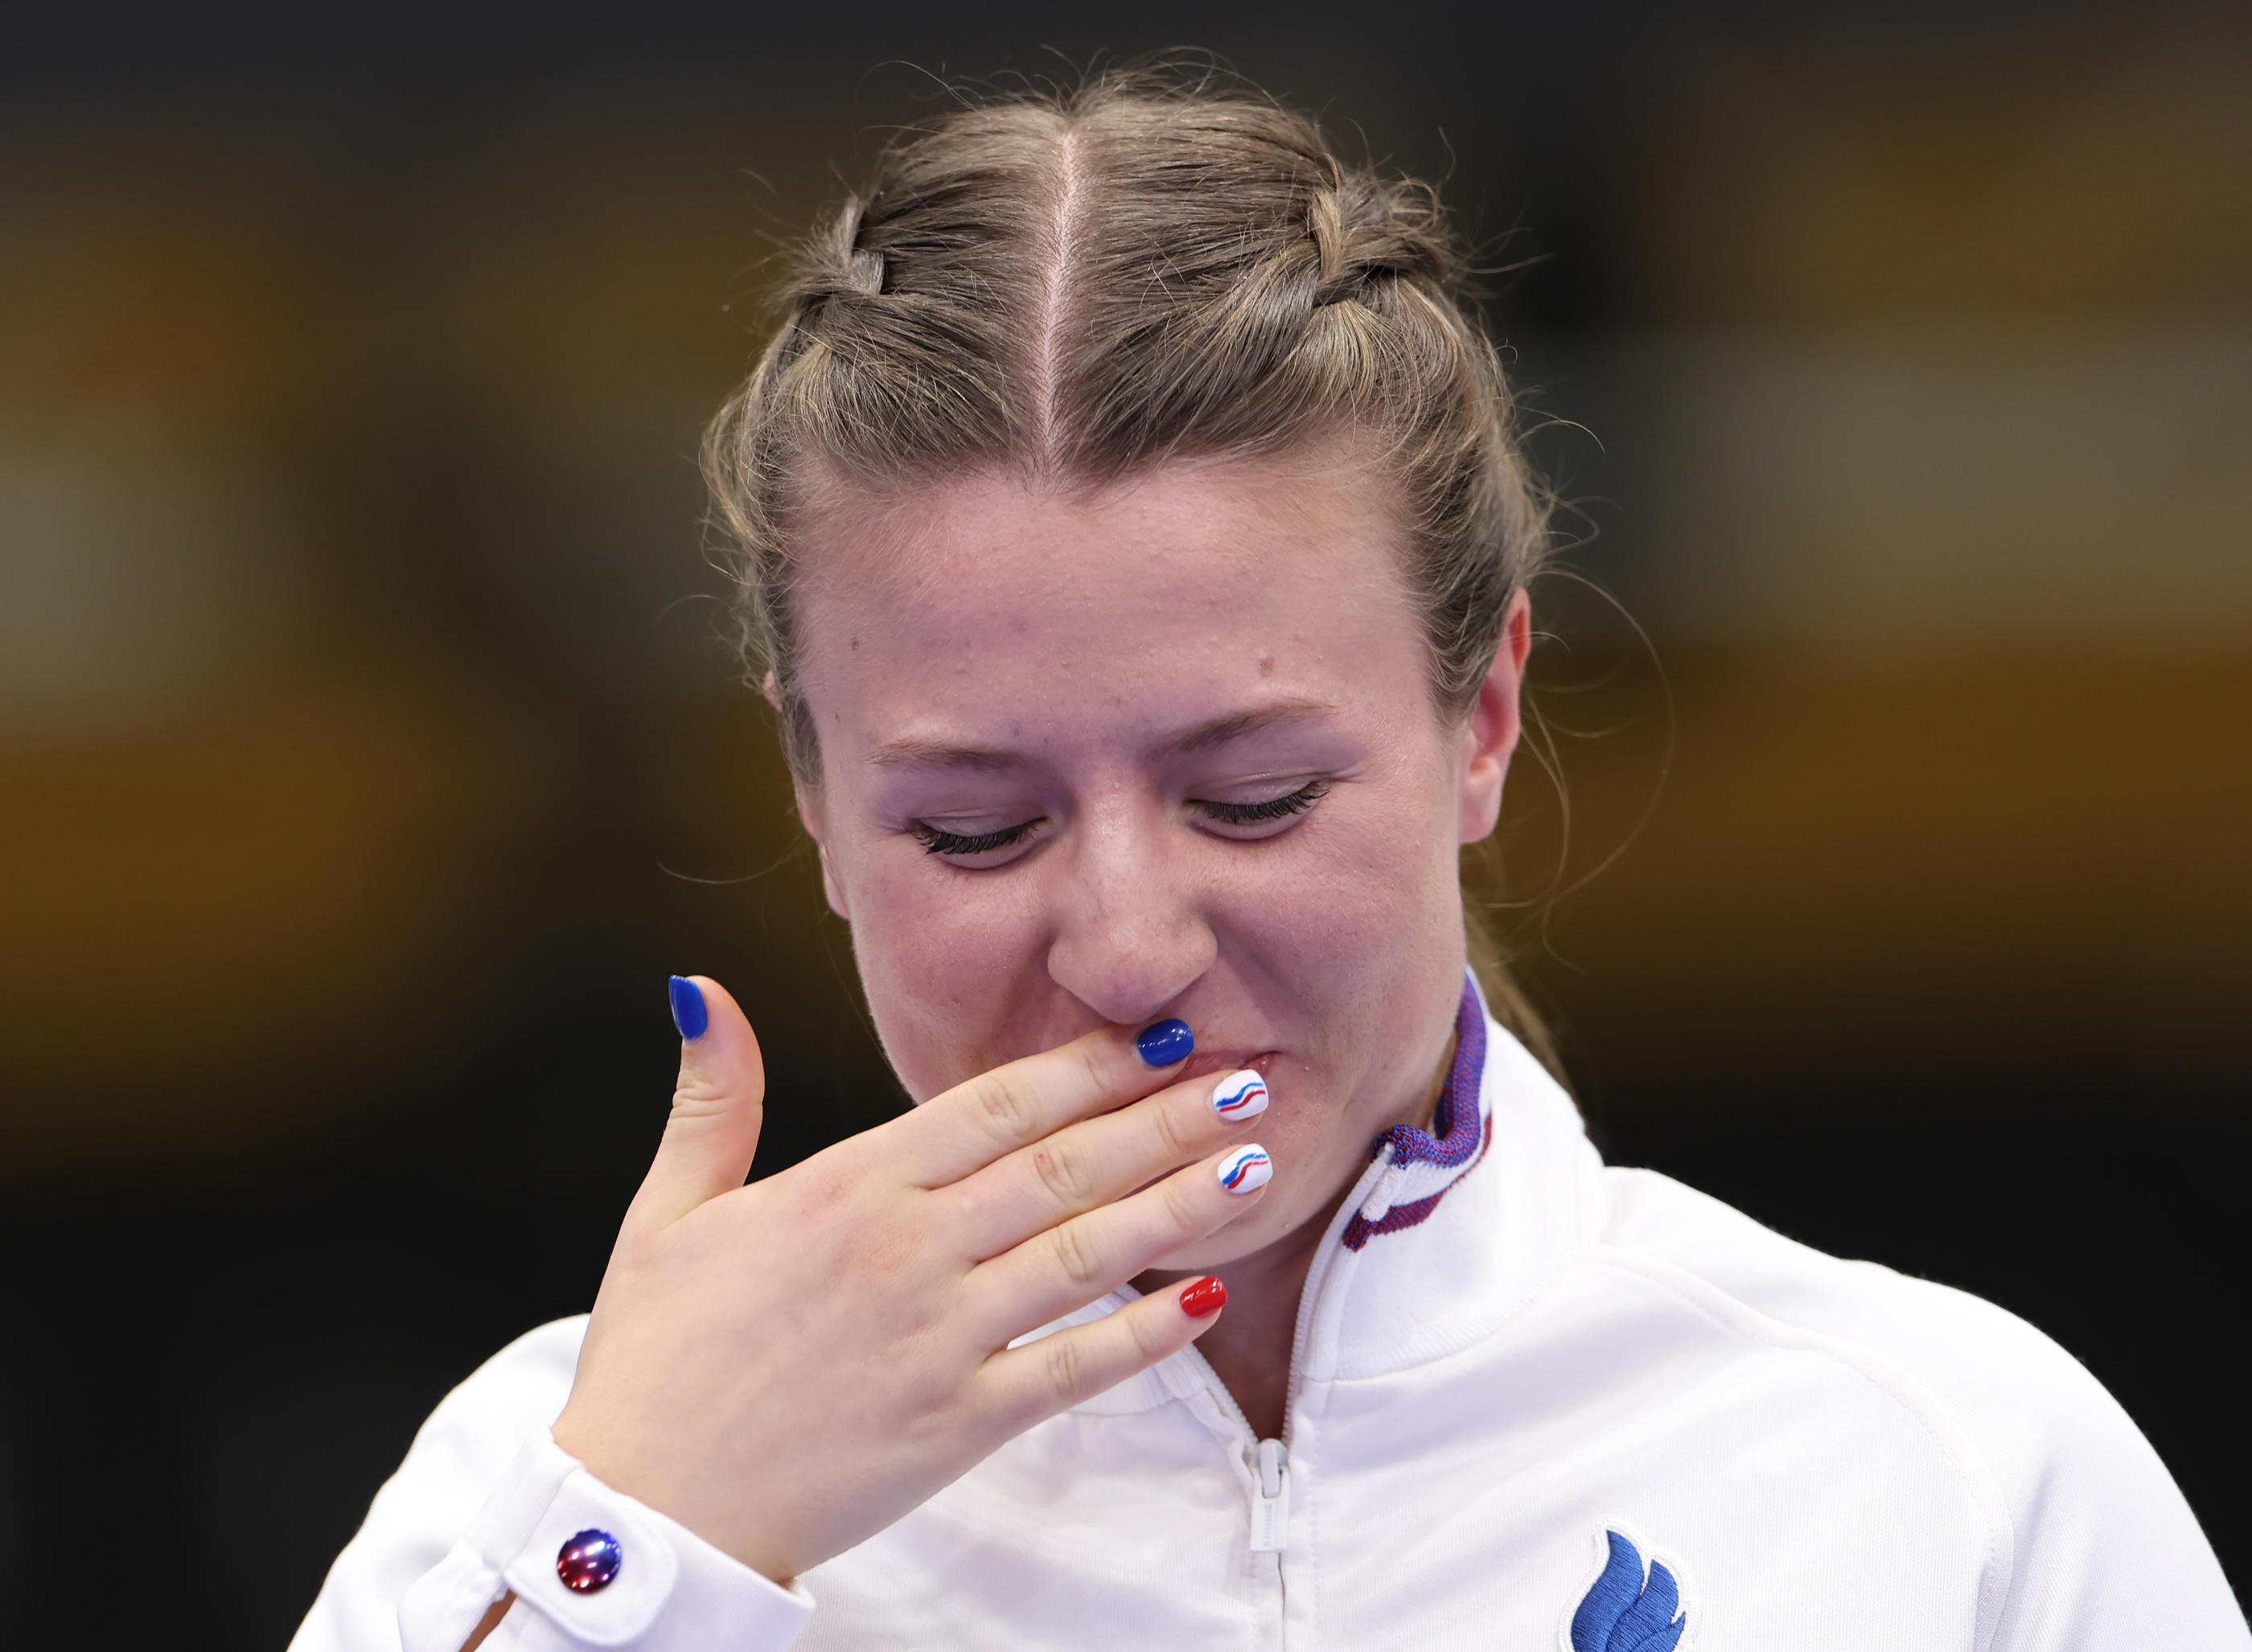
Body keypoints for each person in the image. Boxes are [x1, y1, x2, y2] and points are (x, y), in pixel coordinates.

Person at [291, 71, 2246, 1652]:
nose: (1130, 947)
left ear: (1479, 717)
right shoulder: (539, 1491)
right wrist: (643, 1549)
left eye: (1252, 795)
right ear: (808, 800)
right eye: (975, 825)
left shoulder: (1936, 1466)